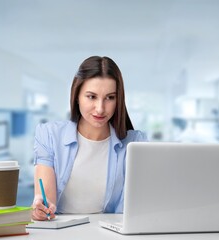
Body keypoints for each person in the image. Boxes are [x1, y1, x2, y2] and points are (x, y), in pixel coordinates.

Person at [31, 56, 147, 220]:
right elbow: (46, 199)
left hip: (109, 232)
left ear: (118, 100)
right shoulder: (49, 135)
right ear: (77, 96)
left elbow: (138, 205)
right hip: (60, 231)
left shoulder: (135, 143)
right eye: (91, 96)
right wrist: (41, 206)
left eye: (110, 97)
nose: (100, 109)